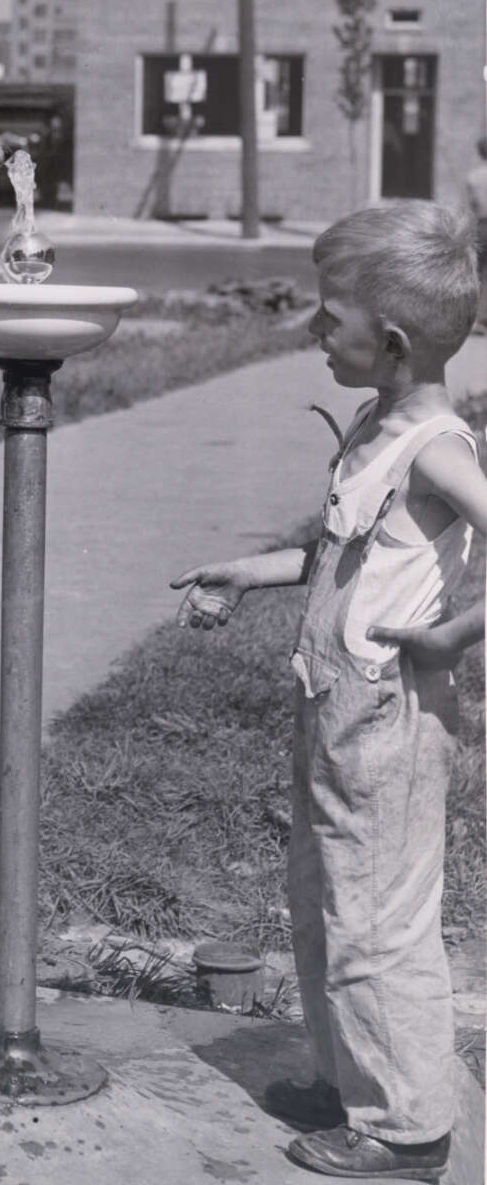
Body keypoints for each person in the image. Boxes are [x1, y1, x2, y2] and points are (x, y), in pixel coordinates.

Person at [170, 200, 486, 1181]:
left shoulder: (434, 443)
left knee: (376, 917)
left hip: (389, 710)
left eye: (328, 317)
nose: (313, 331)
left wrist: (460, 629)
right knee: (325, 900)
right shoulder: (375, 421)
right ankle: (358, 1078)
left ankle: (407, 1132)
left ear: (389, 342)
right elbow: (335, 545)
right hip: (338, 706)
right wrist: (247, 572)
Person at [465, 135, 487, 333]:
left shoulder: (473, 177)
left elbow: (472, 206)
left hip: (481, 226)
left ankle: (476, 319)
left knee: (477, 273)